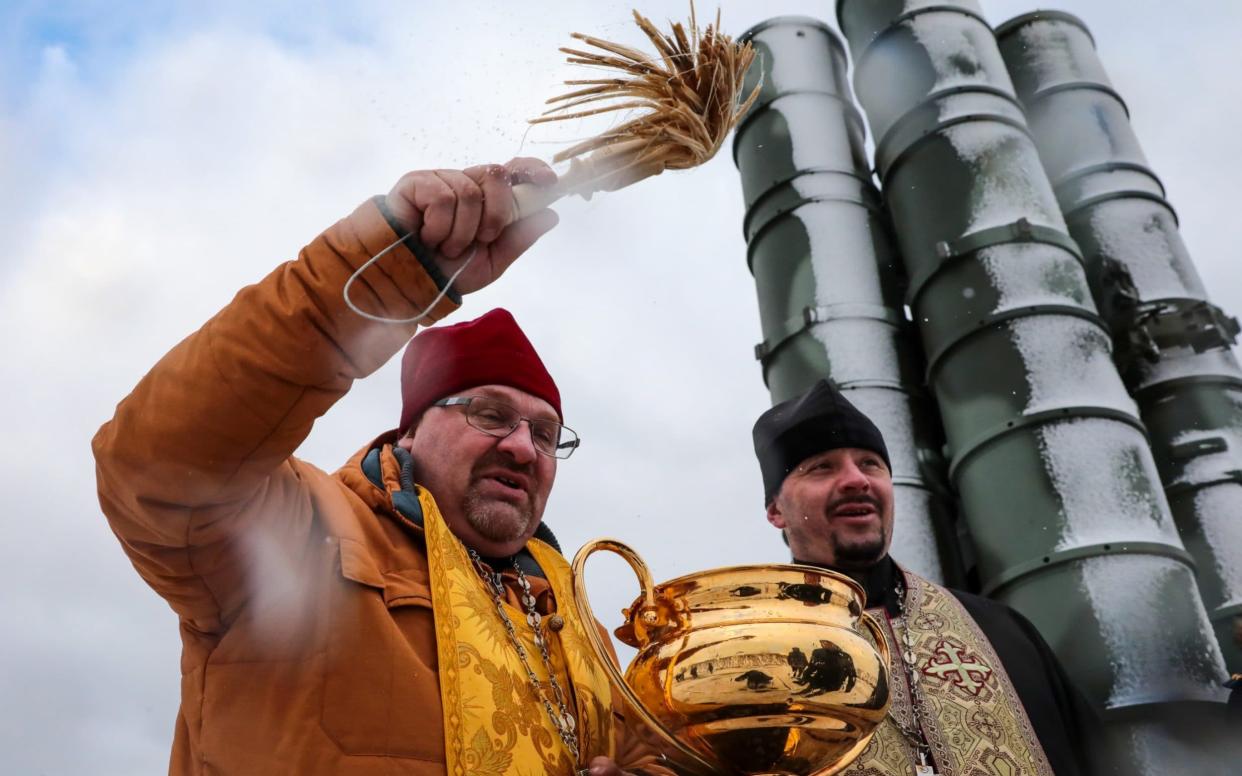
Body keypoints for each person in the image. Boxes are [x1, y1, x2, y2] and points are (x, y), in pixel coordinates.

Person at [92, 159, 671, 776]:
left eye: (547, 434)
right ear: (413, 430)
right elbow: (156, 467)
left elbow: (651, 752)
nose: (524, 448)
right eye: (491, 414)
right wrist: (392, 274)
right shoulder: (302, 531)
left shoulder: (578, 623)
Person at [752, 379, 1103, 776]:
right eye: (821, 468)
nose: (856, 480)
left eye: (871, 464)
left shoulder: (1004, 634)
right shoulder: (759, 661)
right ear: (776, 510)